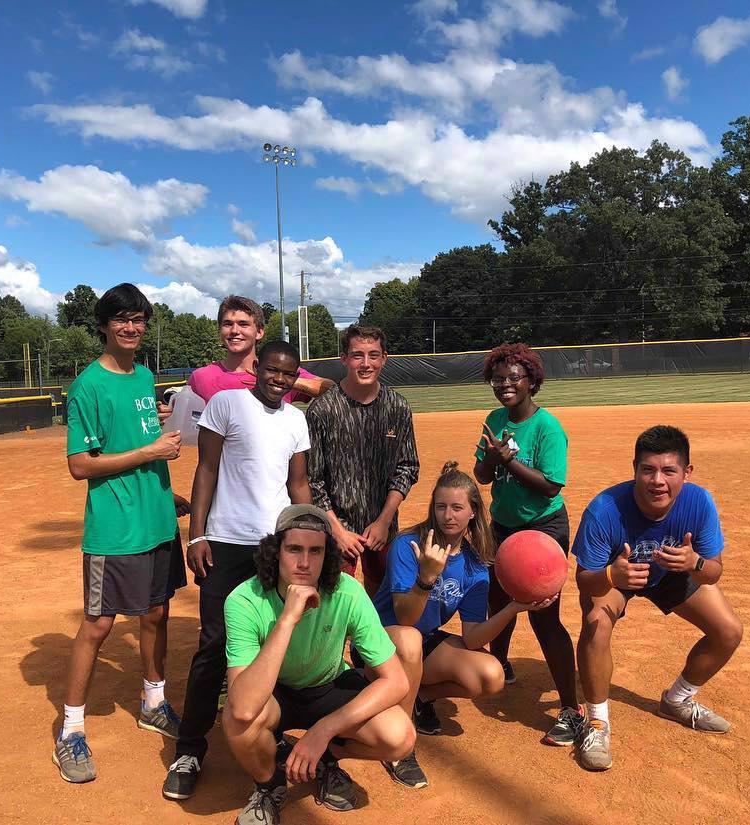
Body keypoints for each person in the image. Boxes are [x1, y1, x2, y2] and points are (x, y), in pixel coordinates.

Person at [162, 340, 313, 800]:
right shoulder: (227, 404)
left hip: (276, 544)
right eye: (272, 370)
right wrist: (198, 534)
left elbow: (298, 483)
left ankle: (271, 733)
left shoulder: (295, 419)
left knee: (279, 639)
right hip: (226, 541)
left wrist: (310, 541)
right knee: (214, 643)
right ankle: (190, 748)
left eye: (288, 374)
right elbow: (206, 469)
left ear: (295, 379)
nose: (279, 379)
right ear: (257, 369)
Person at [53, 283, 186, 784]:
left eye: (139, 319)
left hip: (155, 520)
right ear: (105, 326)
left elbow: (136, 435)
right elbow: (80, 464)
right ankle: (70, 730)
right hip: (115, 529)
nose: (132, 328)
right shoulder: (88, 386)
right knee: (99, 625)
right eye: (122, 319)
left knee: (156, 612)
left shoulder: (144, 376)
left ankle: (154, 701)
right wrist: (148, 454)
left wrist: (163, 433)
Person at [223, 504, 415, 823]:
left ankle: (326, 759)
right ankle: (269, 785)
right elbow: (243, 706)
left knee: (400, 737)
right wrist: (287, 619)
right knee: (237, 721)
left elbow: (396, 681)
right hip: (274, 694)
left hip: (328, 687)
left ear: (328, 556)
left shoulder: (347, 592)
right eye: (294, 549)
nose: (304, 562)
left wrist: (324, 731)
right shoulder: (244, 600)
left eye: (316, 551)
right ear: (275, 552)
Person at [371, 462, 555, 788]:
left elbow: (472, 638)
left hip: (420, 645)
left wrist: (514, 607)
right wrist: (426, 578)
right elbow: (405, 618)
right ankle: (398, 744)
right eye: (441, 506)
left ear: (473, 512)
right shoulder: (409, 544)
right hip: (381, 644)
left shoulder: (474, 564)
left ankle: (419, 697)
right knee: (411, 638)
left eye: (457, 507)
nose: (447, 515)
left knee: (491, 675)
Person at [573, 425, 743, 772]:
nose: (657, 480)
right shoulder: (604, 509)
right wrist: (611, 576)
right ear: (634, 468)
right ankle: (597, 723)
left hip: (672, 573)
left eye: (669, 470)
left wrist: (693, 562)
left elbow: (713, 571)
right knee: (595, 625)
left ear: (686, 473)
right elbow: (583, 581)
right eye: (647, 469)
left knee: (729, 631)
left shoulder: (699, 502)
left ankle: (677, 701)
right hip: (617, 576)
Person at [473, 342, 582, 746]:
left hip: (542, 529)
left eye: (514, 378)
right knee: (498, 603)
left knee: (542, 615)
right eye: (498, 379)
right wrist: (491, 459)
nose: (505, 385)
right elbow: (483, 475)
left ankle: (571, 710)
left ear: (532, 382)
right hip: (501, 526)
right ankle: (500, 667)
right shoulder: (495, 418)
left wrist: (509, 462)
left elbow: (551, 485)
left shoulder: (546, 427)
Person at [306, 324, 420, 597]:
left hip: (382, 527)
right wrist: (337, 530)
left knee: (383, 600)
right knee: (333, 602)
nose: (366, 363)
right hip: (335, 528)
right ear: (344, 358)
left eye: (373, 355)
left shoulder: (397, 407)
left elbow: (407, 467)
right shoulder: (323, 409)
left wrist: (384, 520)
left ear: (384, 358)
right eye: (358, 355)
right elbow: (313, 479)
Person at [188, 295, 333, 403]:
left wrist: (284, 380)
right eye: (227, 324)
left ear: (259, 332)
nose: (234, 330)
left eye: (243, 324)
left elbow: (330, 389)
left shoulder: (280, 372)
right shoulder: (201, 377)